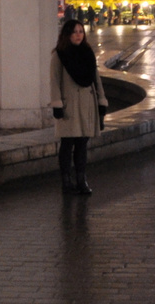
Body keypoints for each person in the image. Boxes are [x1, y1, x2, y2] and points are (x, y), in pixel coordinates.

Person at [50, 19, 106, 196]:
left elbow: (96, 79)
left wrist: (101, 100)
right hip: (70, 106)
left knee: (82, 144)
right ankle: (66, 181)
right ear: (67, 34)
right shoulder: (59, 55)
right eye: (74, 32)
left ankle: (81, 180)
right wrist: (57, 104)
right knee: (67, 143)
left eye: (81, 31)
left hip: (87, 105)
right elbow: (54, 81)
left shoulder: (88, 53)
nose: (78, 35)